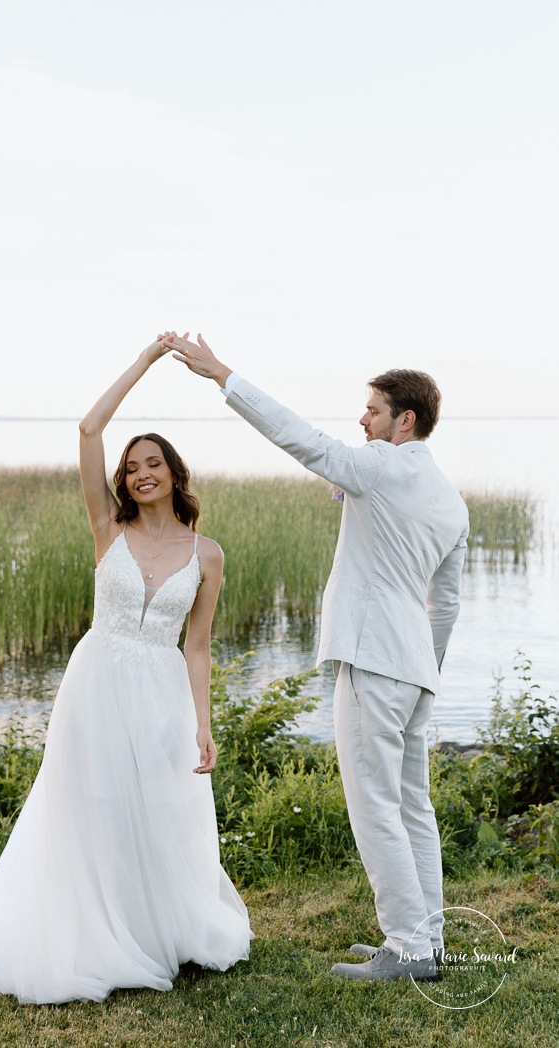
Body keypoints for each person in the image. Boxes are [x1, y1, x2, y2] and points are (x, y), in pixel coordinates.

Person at [0, 337, 252, 1003]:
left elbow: (196, 647)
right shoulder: (106, 527)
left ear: (174, 473)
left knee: (156, 809)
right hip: (97, 682)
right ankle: (89, 930)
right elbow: (88, 427)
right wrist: (146, 360)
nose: (141, 473)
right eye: (132, 466)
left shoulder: (208, 554)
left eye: (154, 463)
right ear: (123, 480)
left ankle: (150, 929)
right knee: (92, 802)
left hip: (160, 692)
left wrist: (205, 724)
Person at [165, 331, 469, 982]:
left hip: (372, 659)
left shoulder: (383, 467)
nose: (361, 420)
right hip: (414, 669)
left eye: (371, 410)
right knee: (412, 804)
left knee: (375, 806)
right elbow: (444, 606)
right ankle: (425, 938)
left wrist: (222, 374)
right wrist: (427, 666)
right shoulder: (450, 497)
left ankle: (408, 950)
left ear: (404, 419)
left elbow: (299, 437)